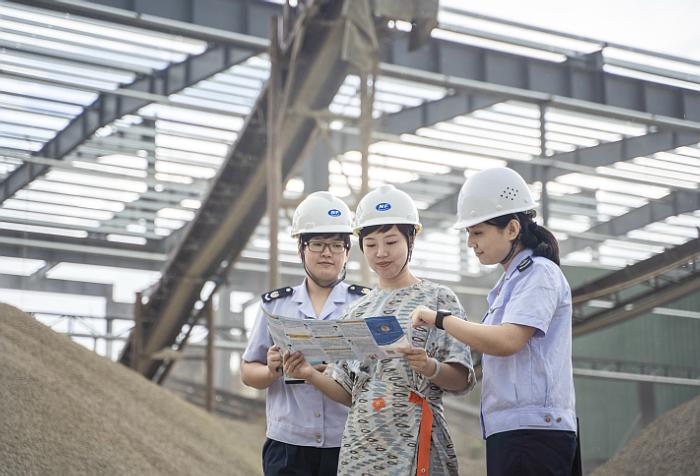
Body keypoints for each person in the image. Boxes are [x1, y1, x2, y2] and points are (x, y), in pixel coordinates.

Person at [284, 184, 475, 476]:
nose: (381, 253)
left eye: (391, 242)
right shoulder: (357, 311)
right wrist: (308, 374)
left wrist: (429, 366)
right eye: (371, 245)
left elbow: (461, 379)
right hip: (360, 450)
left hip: (416, 443)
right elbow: (348, 391)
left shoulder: (439, 299)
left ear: (411, 239)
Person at [410, 167, 579, 476]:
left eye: (478, 232)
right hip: (516, 431)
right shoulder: (512, 283)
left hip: (534, 433)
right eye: (468, 234)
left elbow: (506, 341)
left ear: (512, 229)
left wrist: (440, 320)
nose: (471, 243)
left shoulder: (539, 273)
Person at [241, 191, 370, 476]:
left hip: (348, 440)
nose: (328, 253)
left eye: (337, 245)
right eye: (318, 244)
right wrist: (272, 370)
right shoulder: (275, 305)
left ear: (347, 251)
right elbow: (249, 371)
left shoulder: (365, 305)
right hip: (288, 445)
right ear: (301, 248)